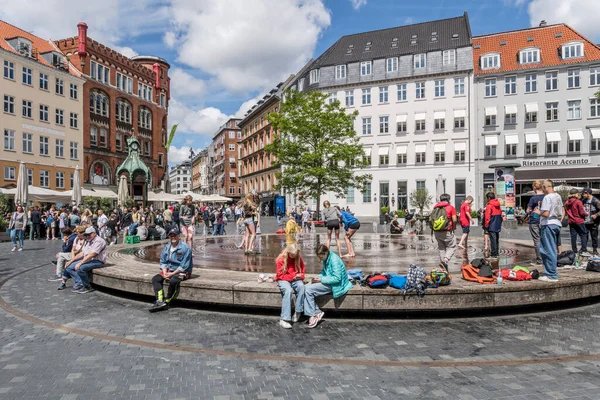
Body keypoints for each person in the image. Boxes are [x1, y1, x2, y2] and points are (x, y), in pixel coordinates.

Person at [303, 245, 353, 329]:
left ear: (326, 253)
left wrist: (321, 280)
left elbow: (337, 279)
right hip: (329, 281)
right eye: (319, 257)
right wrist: (317, 278)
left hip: (336, 285)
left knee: (308, 289)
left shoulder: (334, 260)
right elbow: (324, 273)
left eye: (321, 257)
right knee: (304, 287)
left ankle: (314, 314)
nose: (321, 259)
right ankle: (315, 312)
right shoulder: (326, 258)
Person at [149, 228, 193, 312]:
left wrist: (171, 274)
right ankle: (160, 300)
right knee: (156, 279)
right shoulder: (167, 246)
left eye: (175, 235)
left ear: (179, 236)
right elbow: (163, 261)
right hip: (169, 270)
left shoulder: (186, 248)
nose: (173, 237)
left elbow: (184, 266)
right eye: (171, 236)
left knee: (173, 280)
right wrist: (165, 272)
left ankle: (167, 301)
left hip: (183, 271)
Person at [58, 226, 107, 293]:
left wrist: (81, 263)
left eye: (89, 234)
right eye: (86, 234)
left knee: (81, 268)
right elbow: (83, 253)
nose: (87, 236)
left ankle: (87, 287)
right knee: (68, 267)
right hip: (88, 260)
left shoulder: (99, 241)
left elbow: (92, 254)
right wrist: (71, 260)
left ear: (94, 233)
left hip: (97, 261)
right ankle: (79, 282)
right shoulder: (89, 240)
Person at [535, 180, 562, 282]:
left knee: (547, 250)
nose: (542, 189)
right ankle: (551, 272)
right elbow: (561, 210)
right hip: (556, 224)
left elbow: (546, 213)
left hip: (548, 224)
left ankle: (551, 275)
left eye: (542, 187)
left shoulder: (547, 197)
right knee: (552, 249)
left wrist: (538, 212)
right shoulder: (558, 196)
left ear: (546, 187)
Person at [275, 243, 306, 329]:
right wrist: (293, 277)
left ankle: (298, 311)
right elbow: (279, 275)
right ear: (288, 252)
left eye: (295, 255)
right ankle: (284, 318)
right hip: (283, 279)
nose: (293, 256)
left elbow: (302, 270)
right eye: (292, 255)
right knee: (288, 290)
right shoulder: (281, 259)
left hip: (294, 278)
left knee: (301, 287)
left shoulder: (298, 257)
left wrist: (301, 276)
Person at [431, 193, 458, 267]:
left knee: (441, 248)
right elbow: (454, 220)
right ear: (448, 200)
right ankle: (445, 260)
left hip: (436, 232)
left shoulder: (435, 208)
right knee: (452, 246)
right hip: (447, 231)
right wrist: (453, 227)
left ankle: (443, 266)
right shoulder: (451, 208)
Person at [563, 189, 590, 256]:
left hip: (571, 221)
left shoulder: (566, 202)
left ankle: (574, 251)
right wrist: (587, 214)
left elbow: (566, 212)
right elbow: (581, 212)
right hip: (579, 220)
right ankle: (584, 250)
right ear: (576, 194)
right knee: (583, 234)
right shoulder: (578, 202)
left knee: (573, 236)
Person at [526, 180, 545, 266]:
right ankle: (546, 258)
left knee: (537, 240)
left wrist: (529, 211)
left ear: (534, 188)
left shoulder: (533, 198)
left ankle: (539, 260)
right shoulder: (546, 197)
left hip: (534, 220)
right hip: (544, 220)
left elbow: (528, 210)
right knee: (544, 239)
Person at [582, 188, 600, 256]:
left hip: (594, 222)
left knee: (594, 236)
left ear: (588, 193)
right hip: (586, 221)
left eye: (584, 193)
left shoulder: (596, 201)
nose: (583, 195)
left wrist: (596, 215)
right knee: (585, 235)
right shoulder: (584, 201)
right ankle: (584, 249)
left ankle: (595, 250)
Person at [484, 192, 502, 258]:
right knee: (496, 238)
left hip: (492, 223)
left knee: (493, 239)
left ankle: (493, 253)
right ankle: (496, 252)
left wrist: (486, 225)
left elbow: (487, 217)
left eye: (487, 198)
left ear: (489, 198)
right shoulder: (498, 205)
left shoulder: (489, 205)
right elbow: (500, 213)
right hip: (497, 223)